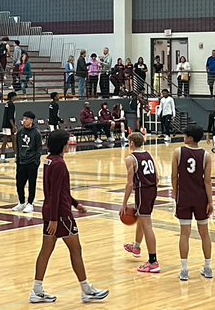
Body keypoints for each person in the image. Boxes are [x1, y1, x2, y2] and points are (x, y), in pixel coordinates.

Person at [29, 129, 109, 304]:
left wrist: (75, 203)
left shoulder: (49, 161)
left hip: (51, 210)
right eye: (67, 141)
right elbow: (56, 192)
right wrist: (55, 219)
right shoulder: (59, 164)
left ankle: (37, 290)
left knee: (46, 251)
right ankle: (86, 290)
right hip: (60, 215)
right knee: (76, 250)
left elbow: (57, 190)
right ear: (63, 144)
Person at [172, 125, 215, 281]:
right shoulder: (206, 156)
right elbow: (207, 181)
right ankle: (208, 267)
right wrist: (210, 201)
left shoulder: (178, 152)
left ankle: (184, 270)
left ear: (189, 138)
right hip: (200, 198)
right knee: (205, 233)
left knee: (185, 233)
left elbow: (174, 177)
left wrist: (176, 195)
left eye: (185, 135)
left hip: (184, 197)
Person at [120, 131, 160, 273]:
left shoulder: (130, 159)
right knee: (142, 219)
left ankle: (153, 261)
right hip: (152, 190)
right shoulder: (148, 154)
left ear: (131, 143)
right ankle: (136, 246)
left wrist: (124, 203)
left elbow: (130, 184)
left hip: (143, 191)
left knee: (147, 225)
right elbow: (157, 178)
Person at [14, 111, 42, 214]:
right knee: (19, 183)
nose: (24, 120)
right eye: (23, 118)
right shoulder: (20, 132)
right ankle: (21, 202)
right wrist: (18, 158)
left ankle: (30, 203)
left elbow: (39, 148)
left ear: (31, 120)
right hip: (21, 162)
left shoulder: (36, 133)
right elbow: (18, 146)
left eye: (26, 119)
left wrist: (36, 161)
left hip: (32, 162)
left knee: (32, 184)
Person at [0, 91, 17, 162]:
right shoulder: (11, 104)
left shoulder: (7, 104)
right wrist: (13, 126)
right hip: (9, 125)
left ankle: (2, 157)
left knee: (6, 141)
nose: (16, 97)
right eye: (15, 96)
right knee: (13, 141)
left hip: (5, 124)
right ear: (13, 97)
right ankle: (16, 156)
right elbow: (10, 117)